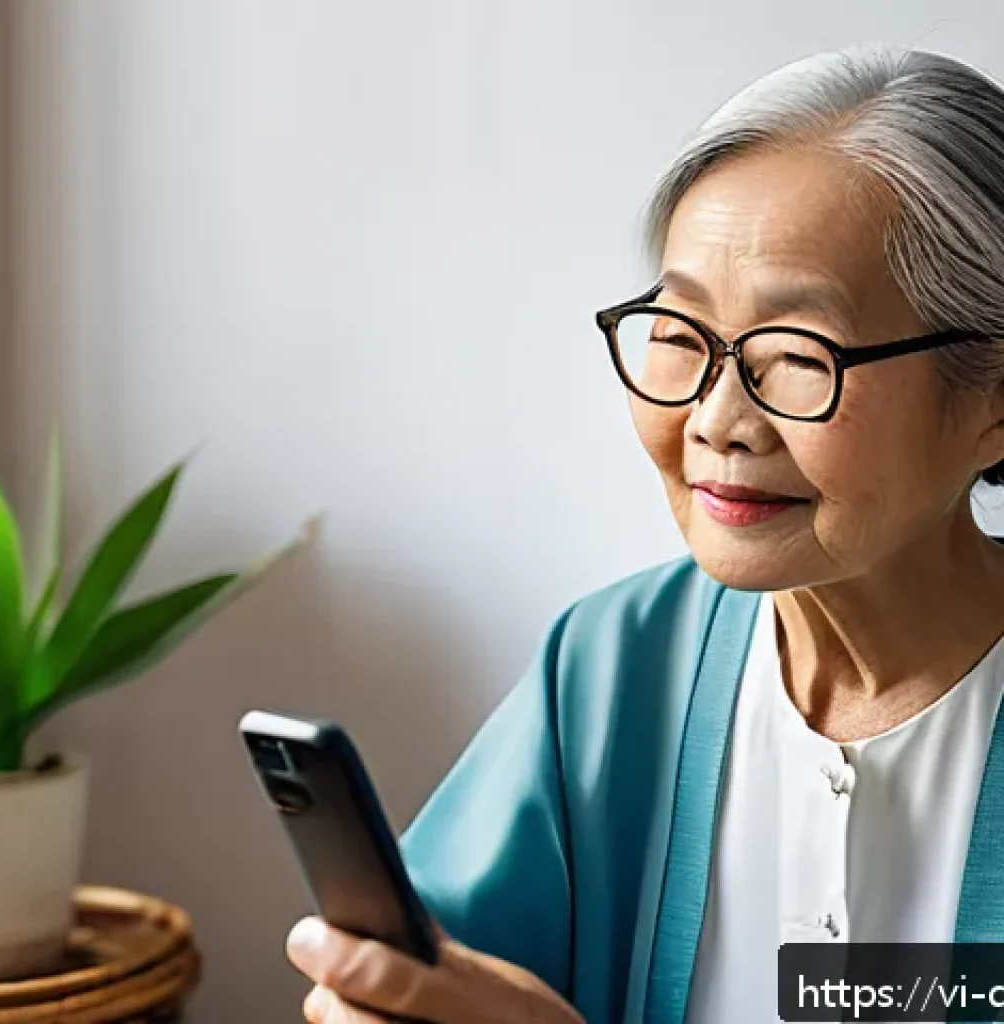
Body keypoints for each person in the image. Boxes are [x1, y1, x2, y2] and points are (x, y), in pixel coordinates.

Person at [283, 43, 1004, 1023]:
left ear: (993, 399)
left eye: (798, 355)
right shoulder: (612, 667)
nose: (716, 419)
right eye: (677, 337)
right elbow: (445, 961)